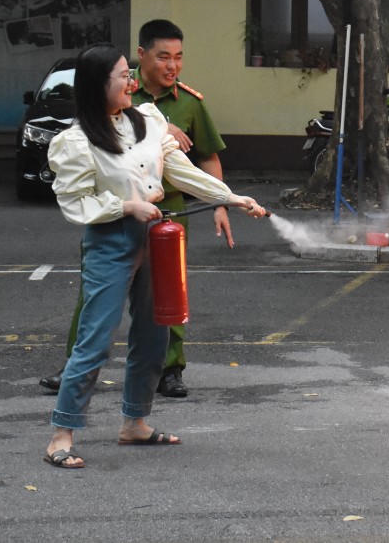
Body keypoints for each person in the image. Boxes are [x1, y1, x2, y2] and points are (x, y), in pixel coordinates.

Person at [41, 44, 266, 469]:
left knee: (155, 332)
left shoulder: (147, 120)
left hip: (157, 236)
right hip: (111, 238)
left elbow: (181, 171)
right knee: (96, 338)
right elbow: (75, 202)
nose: (132, 83)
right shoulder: (76, 141)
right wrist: (128, 206)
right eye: (123, 77)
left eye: (130, 75)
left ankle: (135, 423)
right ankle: (61, 435)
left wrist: (230, 198)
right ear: (97, 85)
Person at [40, 19, 231, 398]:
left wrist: (222, 203)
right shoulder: (116, 95)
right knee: (97, 296)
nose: (172, 66)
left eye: (178, 57)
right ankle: (77, 366)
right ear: (141, 55)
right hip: (117, 212)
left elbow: (206, 157)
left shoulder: (189, 102)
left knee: (167, 294)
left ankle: (168, 369)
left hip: (168, 210)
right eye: (163, 57)